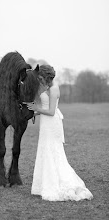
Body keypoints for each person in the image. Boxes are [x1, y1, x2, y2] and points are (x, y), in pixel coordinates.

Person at [26, 65, 93, 201]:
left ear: (46, 77)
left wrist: (37, 107)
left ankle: (58, 183)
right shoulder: (47, 88)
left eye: (40, 78)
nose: (39, 81)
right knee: (45, 150)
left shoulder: (54, 89)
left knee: (53, 151)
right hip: (45, 124)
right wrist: (34, 112)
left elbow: (51, 111)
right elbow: (45, 108)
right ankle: (42, 185)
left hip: (52, 124)